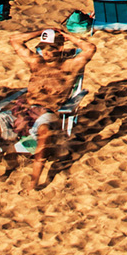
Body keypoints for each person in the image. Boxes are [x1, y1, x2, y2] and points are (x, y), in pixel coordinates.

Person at [12, 28, 96, 189]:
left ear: (59, 49)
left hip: (49, 112)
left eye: (50, 48)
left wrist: (67, 35)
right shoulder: (35, 63)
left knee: (44, 132)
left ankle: (34, 181)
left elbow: (90, 48)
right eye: (42, 48)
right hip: (24, 111)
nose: (45, 52)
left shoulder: (69, 67)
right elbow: (15, 40)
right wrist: (40, 32)